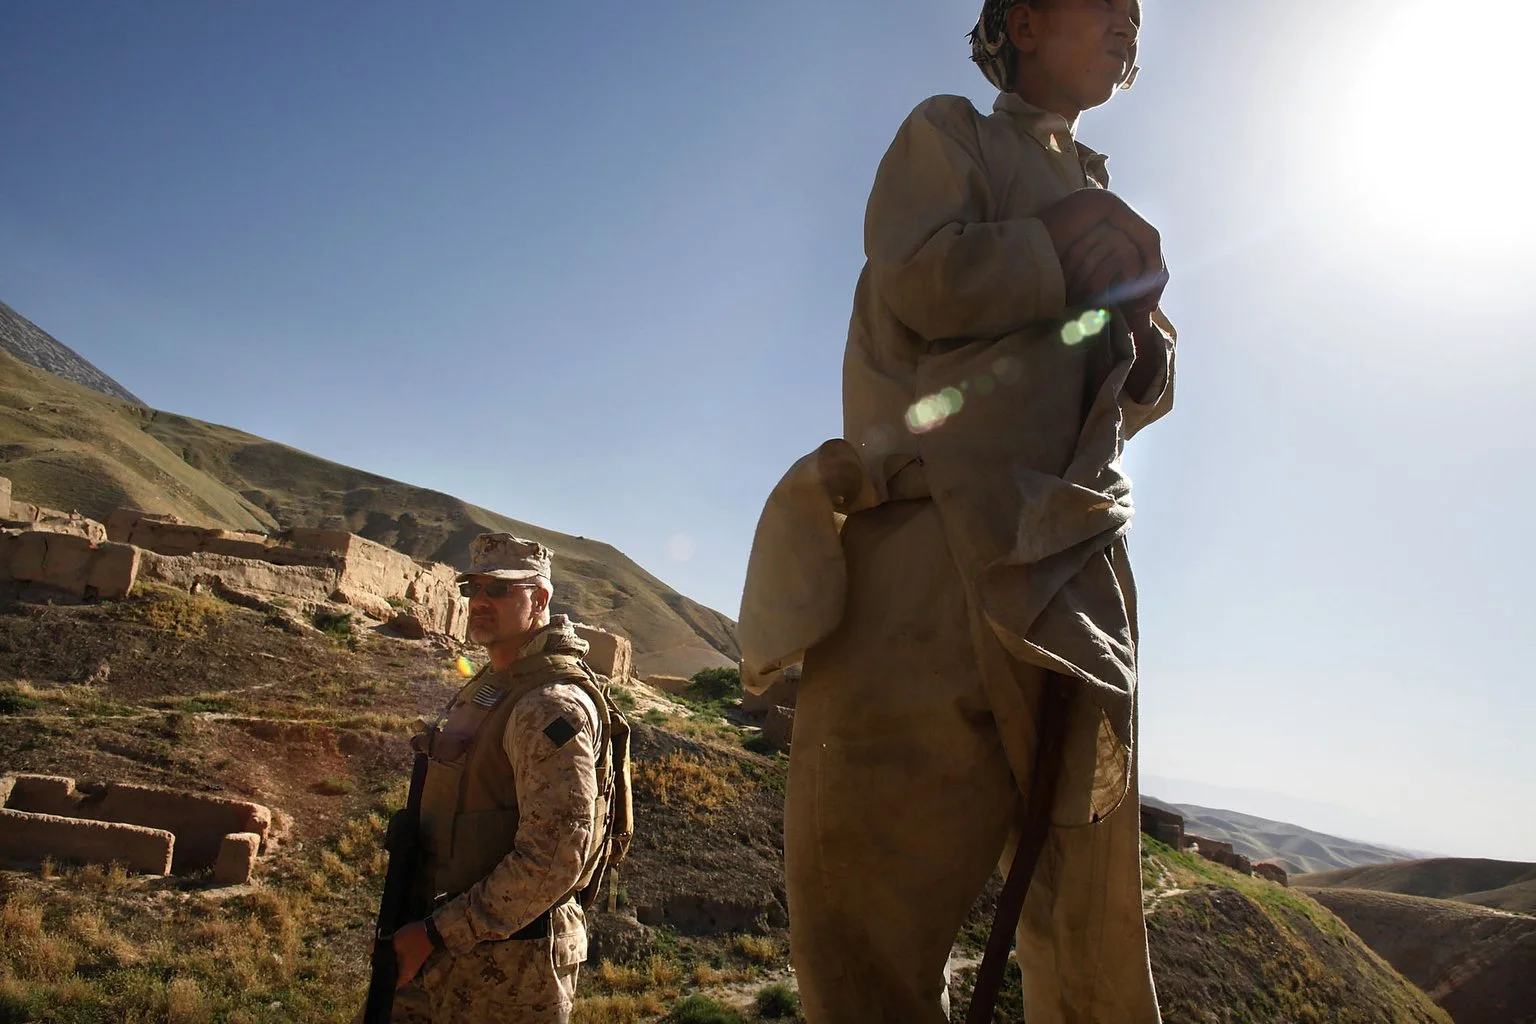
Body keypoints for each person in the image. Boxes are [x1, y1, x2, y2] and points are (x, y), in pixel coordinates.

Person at [736, 1, 1175, 1020]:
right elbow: (920, 274)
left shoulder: (1096, 189)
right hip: (925, 557)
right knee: (864, 927)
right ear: (1022, 21)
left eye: (1136, 12)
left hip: (1072, 574)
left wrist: (1145, 326)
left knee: (1087, 915)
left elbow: (1129, 394)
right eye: (1102, 2)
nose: (1126, 22)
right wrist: (1064, 248)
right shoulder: (953, 135)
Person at [380, 533, 611, 1023]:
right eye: (474, 588)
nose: (481, 601)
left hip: (510, 970)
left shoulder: (547, 705)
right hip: (450, 947)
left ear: (541, 599)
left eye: (500, 590)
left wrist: (439, 933)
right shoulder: (494, 686)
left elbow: (553, 857)